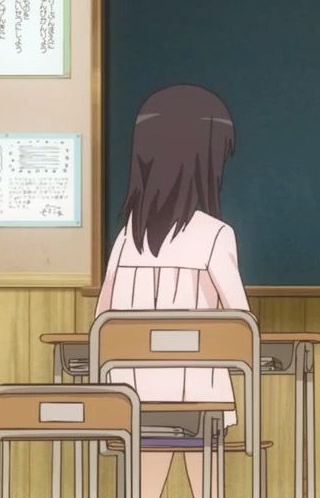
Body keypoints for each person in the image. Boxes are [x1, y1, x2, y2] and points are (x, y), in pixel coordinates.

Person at [95, 83, 250, 498]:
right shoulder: (215, 235)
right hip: (199, 398)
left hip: (134, 399)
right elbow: (242, 328)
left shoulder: (125, 240)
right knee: (207, 484)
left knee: (145, 484)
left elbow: (102, 325)